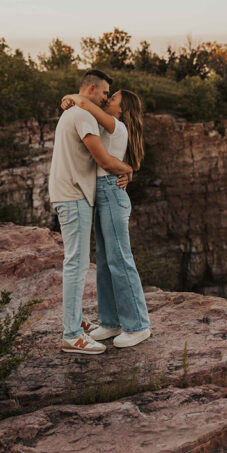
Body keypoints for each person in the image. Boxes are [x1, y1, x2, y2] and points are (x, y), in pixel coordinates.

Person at [48, 69, 133, 355]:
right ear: (93, 89)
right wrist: (128, 169)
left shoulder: (73, 112)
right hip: (73, 196)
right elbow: (103, 159)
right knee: (77, 263)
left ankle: (75, 320)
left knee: (77, 261)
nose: (107, 98)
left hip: (68, 193)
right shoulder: (83, 115)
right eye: (106, 93)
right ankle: (72, 334)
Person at [61, 87, 151, 348]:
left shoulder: (117, 126)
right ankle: (111, 322)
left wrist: (74, 97)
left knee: (120, 259)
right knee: (104, 260)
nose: (108, 100)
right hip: (101, 192)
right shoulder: (110, 128)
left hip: (111, 192)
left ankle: (138, 325)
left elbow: (87, 106)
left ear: (122, 110)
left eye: (113, 99)